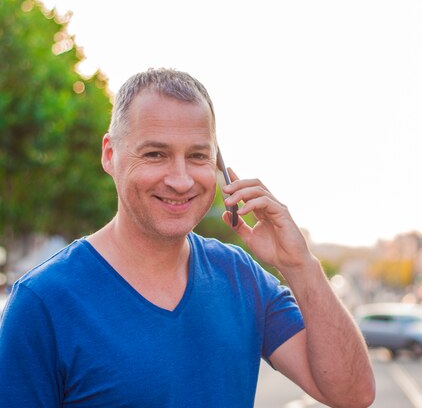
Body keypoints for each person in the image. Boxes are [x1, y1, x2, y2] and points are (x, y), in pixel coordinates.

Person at [0, 68, 375, 407]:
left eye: (197, 157)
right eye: (155, 154)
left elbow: (351, 395)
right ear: (110, 154)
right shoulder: (44, 302)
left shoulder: (241, 277)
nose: (180, 180)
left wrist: (300, 264)